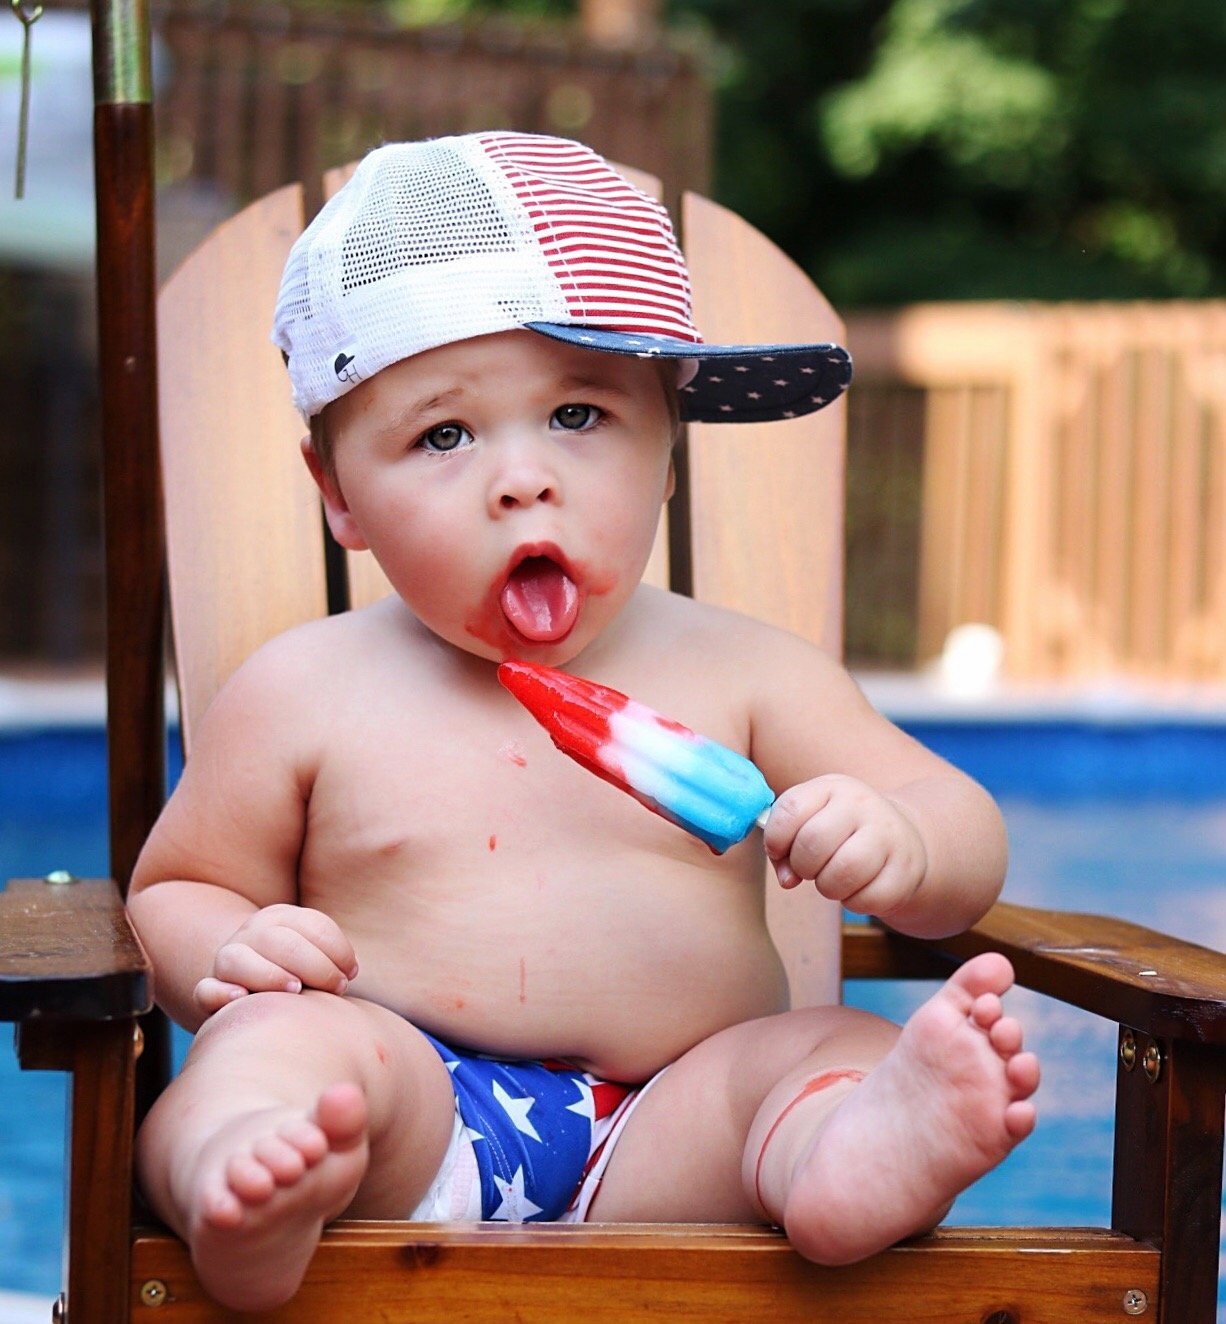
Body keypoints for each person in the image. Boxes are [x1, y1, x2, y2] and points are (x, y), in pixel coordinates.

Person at [127, 132, 1039, 1313]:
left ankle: (841, 1155)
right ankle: (251, 1184)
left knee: (833, 1051)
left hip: (681, 1123)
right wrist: (228, 961)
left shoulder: (750, 669)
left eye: (579, 413)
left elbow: (956, 829)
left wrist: (903, 847)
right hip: (403, 1112)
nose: (522, 480)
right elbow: (174, 890)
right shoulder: (302, 690)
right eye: (443, 435)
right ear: (338, 491)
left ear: (667, 445)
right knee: (274, 1062)